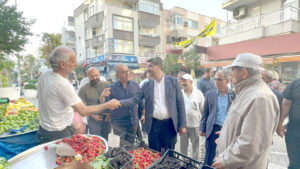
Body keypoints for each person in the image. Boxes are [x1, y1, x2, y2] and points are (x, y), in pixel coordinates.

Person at [37, 46, 120, 143]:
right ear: (63, 64)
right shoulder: (62, 84)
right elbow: (83, 111)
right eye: (73, 61)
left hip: (44, 129)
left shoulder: (45, 75)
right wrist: (108, 105)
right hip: (59, 132)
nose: (76, 64)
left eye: (96, 75)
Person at [212, 53, 280, 169]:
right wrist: (226, 134)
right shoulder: (247, 92)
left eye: (233, 70)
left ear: (243, 73)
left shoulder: (260, 98)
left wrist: (226, 160)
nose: (231, 75)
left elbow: (252, 142)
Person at [119, 57, 187, 152]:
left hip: (170, 125)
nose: (148, 69)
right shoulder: (146, 85)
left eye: (150, 66)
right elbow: (135, 99)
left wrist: (183, 124)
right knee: (154, 153)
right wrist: (119, 102)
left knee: (169, 153)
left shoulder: (173, 81)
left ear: (159, 66)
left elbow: (180, 103)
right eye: (147, 66)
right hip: (153, 125)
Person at [200, 70, 235, 167]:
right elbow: (205, 113)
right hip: (213, 129)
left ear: (227, 80)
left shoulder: (234, 94)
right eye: (215, 79)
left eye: (219, 79)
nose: (216, 82)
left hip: (228, 130)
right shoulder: (210, 94)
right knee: (209, 155)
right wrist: (202, 129)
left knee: (225, 154)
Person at [104, 64, 144, 143]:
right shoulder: (111, 88)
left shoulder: (135, 85)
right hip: (119, 124)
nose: (127, 73)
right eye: (124, 72)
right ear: (117, 75)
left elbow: (140, 101)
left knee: (131, 146)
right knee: (121, 148)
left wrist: (143, 114)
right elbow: (107, 106)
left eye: (127, 71)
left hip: (133, 123)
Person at [78, 67, 111, 140]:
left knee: (107, 140)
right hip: (93, 120)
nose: (95, 78)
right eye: (91, 76)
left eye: (96, 75)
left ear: (99, 74)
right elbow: (81, 106)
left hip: (107, 118)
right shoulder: (83, 89)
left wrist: (110, 113)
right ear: (88, 77)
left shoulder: (107, 85)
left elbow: (113, 99)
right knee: (96, 140)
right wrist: (93, 115)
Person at [180, 74, 205, 160]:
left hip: (195, 124)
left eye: (185, 81)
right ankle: (183, 162)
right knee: (183, 146)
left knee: (196, 146)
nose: (183, 83)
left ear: (191, 82)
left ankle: (195, 163)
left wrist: (203, 125)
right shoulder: (179, 93)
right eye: (182, 81)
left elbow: (203, 110)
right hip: (183, 125)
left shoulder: (198, 94)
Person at [276, 78, 300, 169]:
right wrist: (280, 123)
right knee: (295, 163)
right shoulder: (295, 84)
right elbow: (286, 104)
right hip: (295, 130)